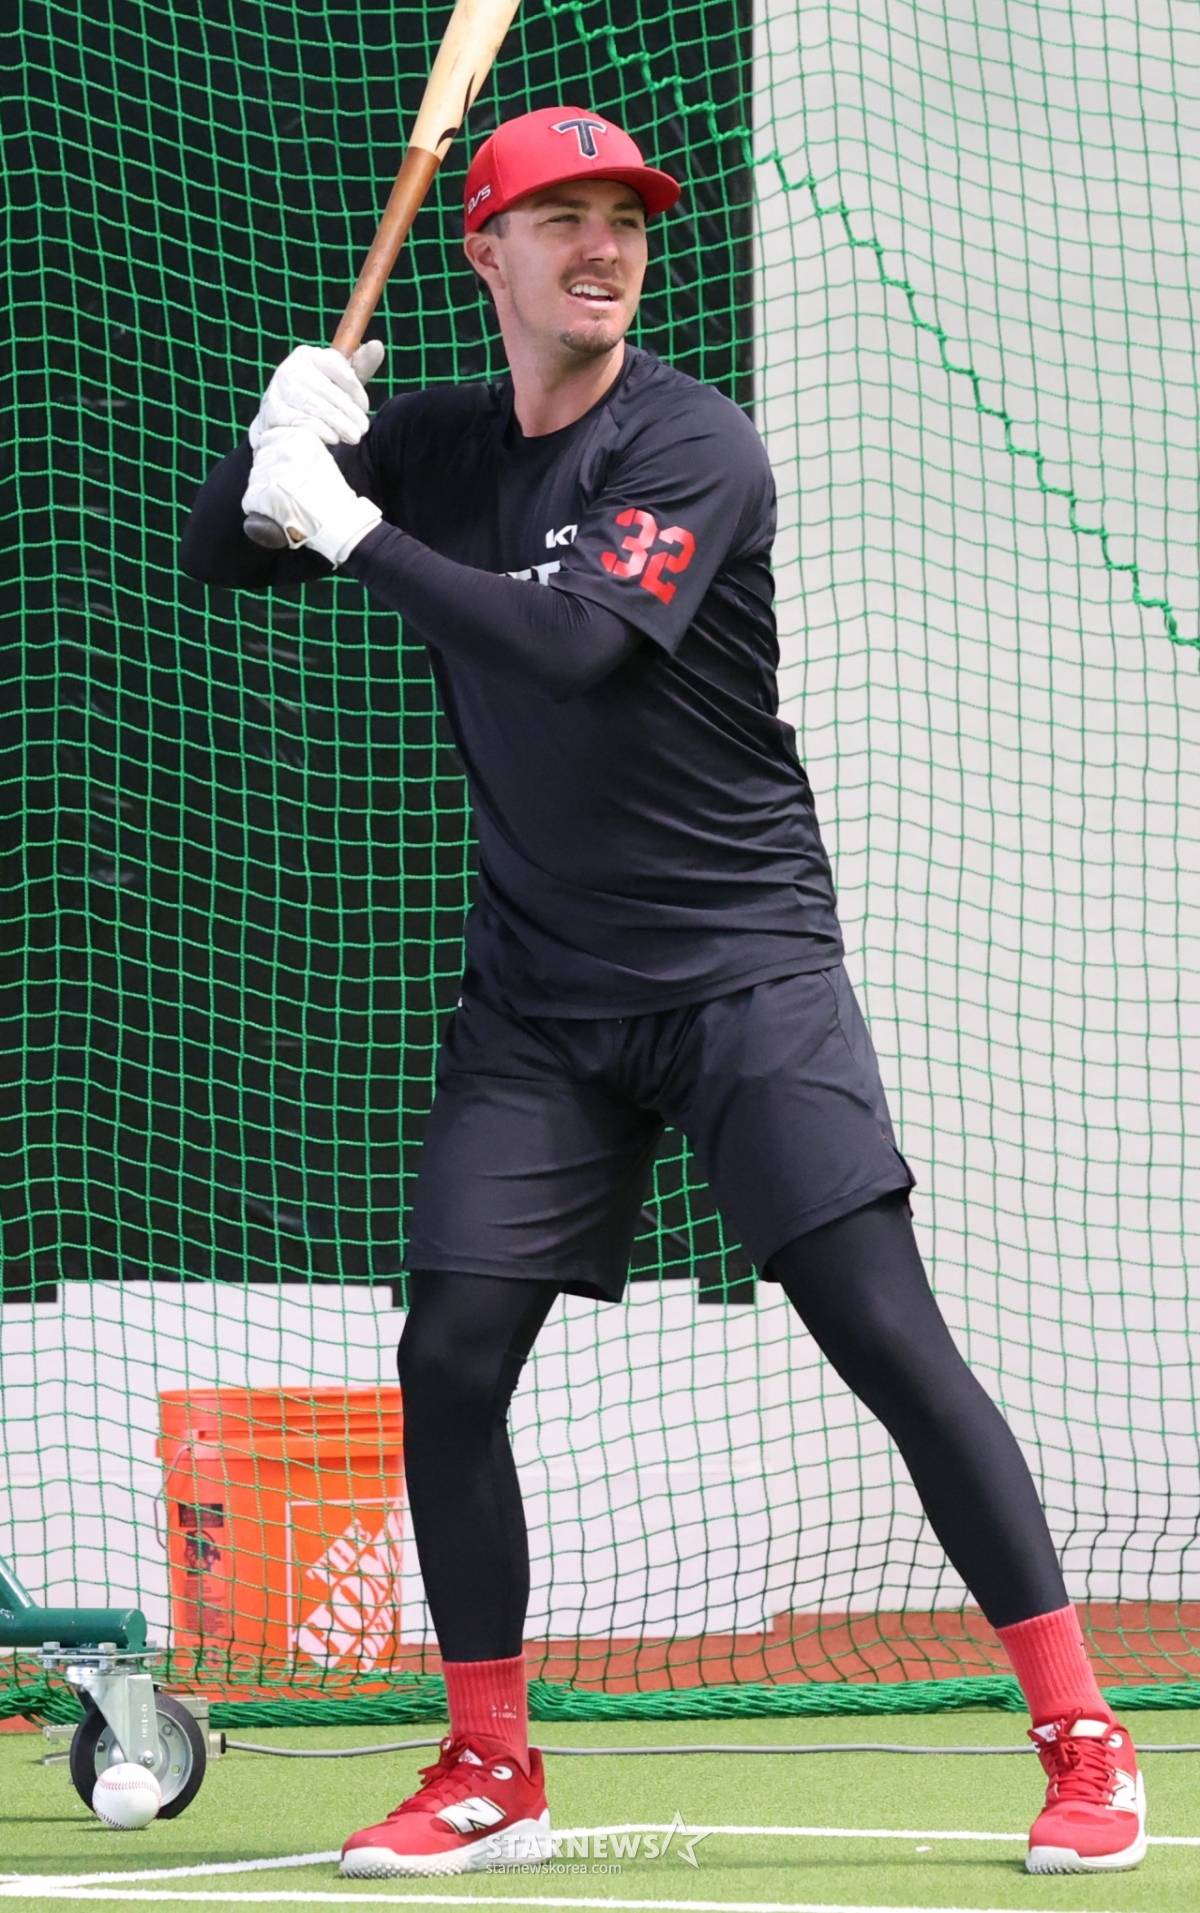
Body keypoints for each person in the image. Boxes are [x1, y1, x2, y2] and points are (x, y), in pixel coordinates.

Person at [181, 105, 1145, 1882]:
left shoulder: (692, 442)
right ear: (486, 252)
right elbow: (224, 558)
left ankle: (1086, 1734)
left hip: (739, 969)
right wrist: (277, 444)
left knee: (883, 1332)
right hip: (543, 994)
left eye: (624, 218)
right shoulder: (446, 441)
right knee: (448, 1355)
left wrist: (351, 526)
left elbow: (570, 646)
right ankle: (490, 1766)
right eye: (562, 218)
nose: (604, 246)